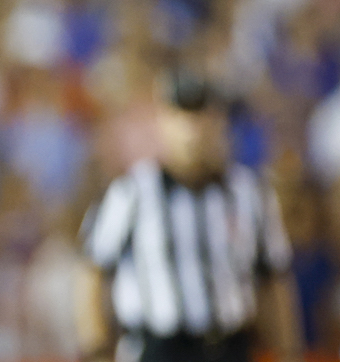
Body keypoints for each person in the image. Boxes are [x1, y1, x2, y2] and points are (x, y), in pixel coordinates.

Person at [76, 69, 304, 362]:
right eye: (183, 117)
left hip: (229, 347)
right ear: (163, 122)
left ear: (221, 123)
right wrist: (96, 347)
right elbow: (93, 271)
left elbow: (274, 279)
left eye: (205, 117)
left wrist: (288, 350)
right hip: (158, 348)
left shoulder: (249, 194)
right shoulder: (132, 193)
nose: (194, 129)